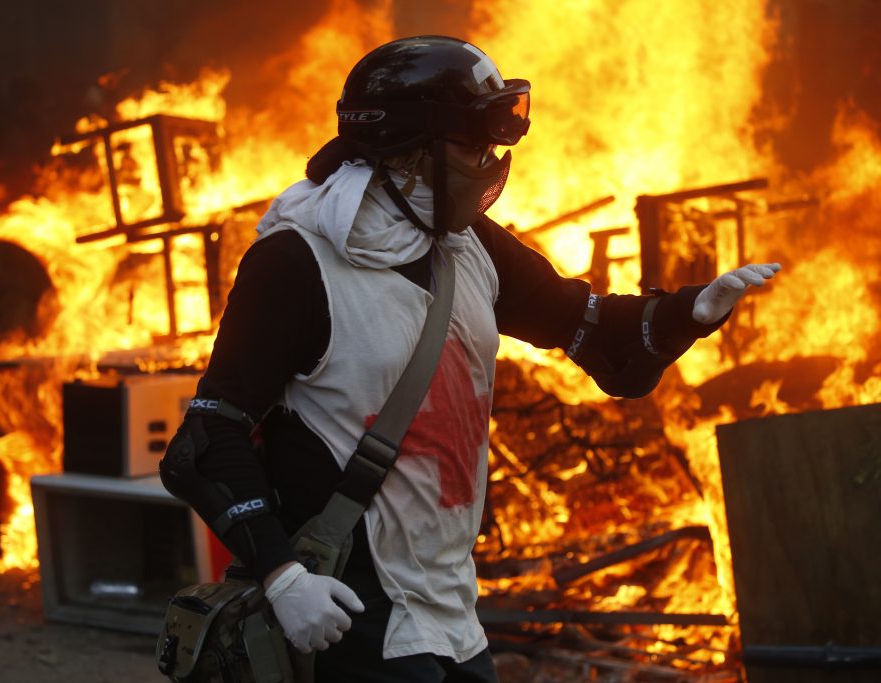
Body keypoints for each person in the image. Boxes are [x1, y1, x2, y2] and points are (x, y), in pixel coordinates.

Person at [160, 35, 780, 682]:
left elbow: (589, 330)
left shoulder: (468, 245)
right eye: (473, 147)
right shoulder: (296, 261)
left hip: (451, 608)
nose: (490, 164)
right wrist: (285, 579)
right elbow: (205, 440)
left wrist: (692, 310)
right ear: (402, 146)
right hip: (349, 609)